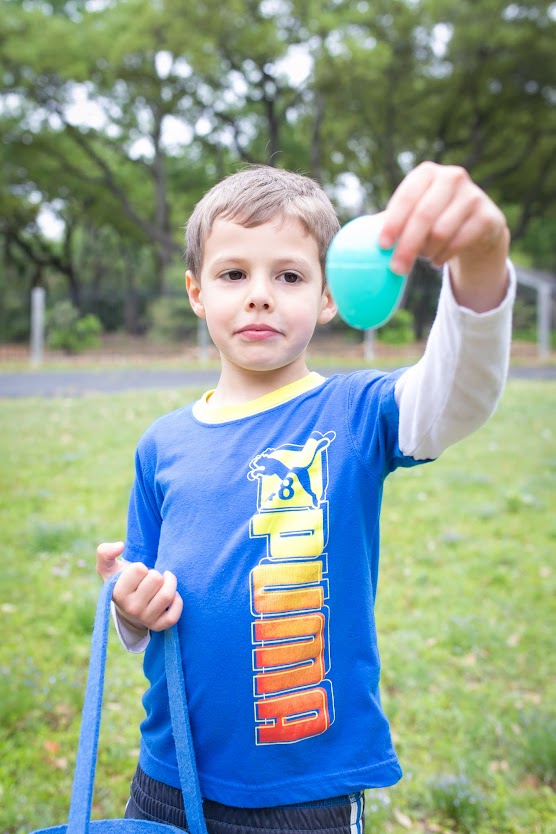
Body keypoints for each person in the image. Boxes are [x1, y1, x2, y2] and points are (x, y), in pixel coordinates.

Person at [96, 162, 514, 834]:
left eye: (289, 276)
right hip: (169, 779)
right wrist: (129, 604)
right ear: (197, 291)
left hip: (306, 797)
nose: (260, 296)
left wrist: (482, 261)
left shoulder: (356, 412)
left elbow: (457, 395)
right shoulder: (162, 443)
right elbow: (139, 598)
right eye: (234, 274)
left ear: (327, 297)